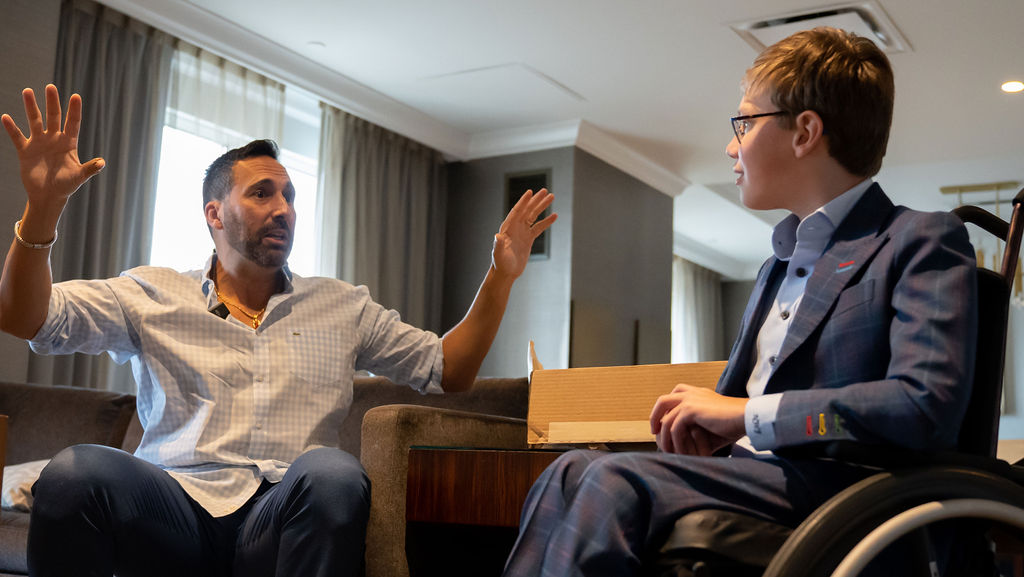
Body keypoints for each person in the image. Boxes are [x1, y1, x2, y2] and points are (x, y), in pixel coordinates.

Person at [0, 84, 556, 577]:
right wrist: (43, 208)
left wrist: (500, 277)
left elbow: (449, 370)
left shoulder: (342, 305)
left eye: (289, 196)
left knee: (334, 472)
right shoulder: (152, 291)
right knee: (74, 471)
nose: (284, 209)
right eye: (262, 193)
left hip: (280, 517)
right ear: (215, 214)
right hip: (171, 511)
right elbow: (25, 317)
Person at [502, 26, 977, 577]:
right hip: (760, 482)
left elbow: (923, 406)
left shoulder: (919, 238)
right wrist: (708, 430)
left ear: (805, 132)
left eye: (745, 123)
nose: (732, 146)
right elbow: (734, 412)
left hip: (853, 499)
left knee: (613, 480)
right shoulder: (775, 267)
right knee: (568, 471)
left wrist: (746, 415)